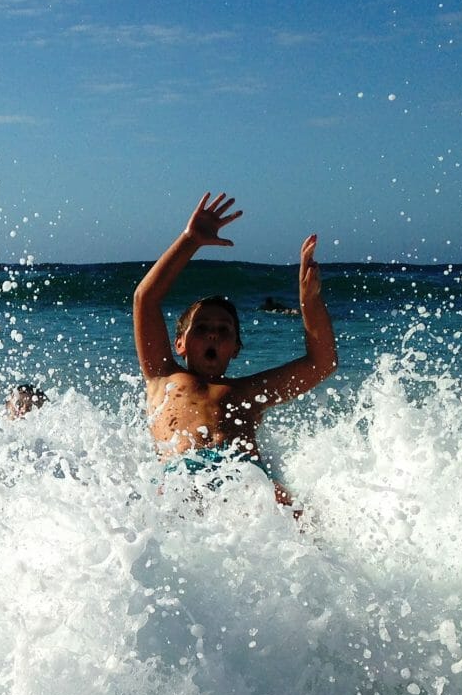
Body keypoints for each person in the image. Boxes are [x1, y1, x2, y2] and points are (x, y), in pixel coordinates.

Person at [133, 192, 337, 510]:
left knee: (290, 506)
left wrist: (309, 302)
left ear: (236, 349)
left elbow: (321, 362)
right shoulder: (163, 376)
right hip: (183, 477)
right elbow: (145, 298)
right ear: (180, 344)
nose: (213, 332)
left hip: (244, 478)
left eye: (224, 330)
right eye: (201, 328)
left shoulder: (248, 391)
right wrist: (190, 240)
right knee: (168, 497)